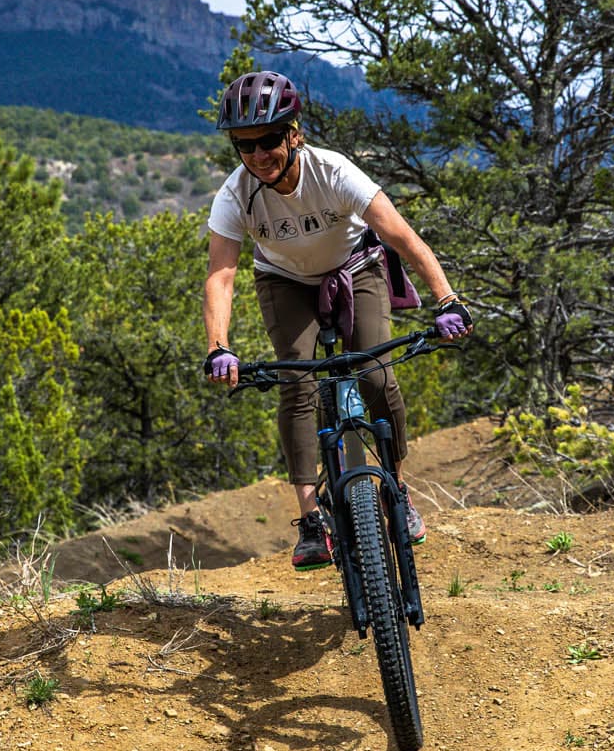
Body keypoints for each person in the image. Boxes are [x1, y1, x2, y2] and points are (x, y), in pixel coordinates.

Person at [201, 70, 472, 571]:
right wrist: (219, 346)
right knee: (296, 382)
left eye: (268, 140)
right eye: (244, 145)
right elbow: (221, 275)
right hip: (283, 281)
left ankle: (397, 488)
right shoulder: (236, 195)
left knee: (374, 372)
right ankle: (310, 522)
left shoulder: (335, 172)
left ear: (294, 134)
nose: (258, 154)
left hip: (355, 269)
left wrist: (448, 299)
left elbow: (404, 239)